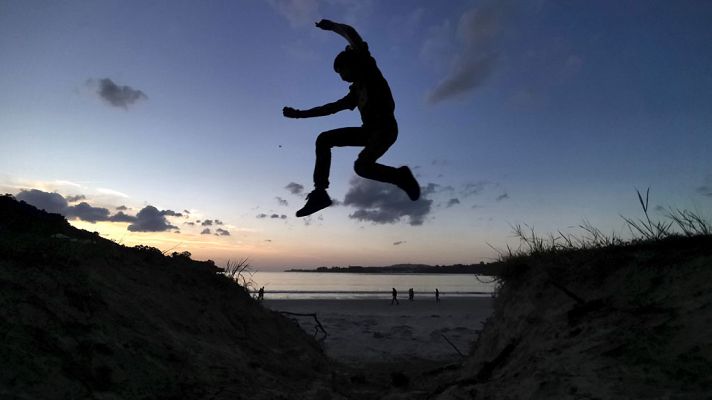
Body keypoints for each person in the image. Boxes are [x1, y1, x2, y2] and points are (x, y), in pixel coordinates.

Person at [283, 19, 421, 217]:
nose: (341, 77)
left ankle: (400, 176)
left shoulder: (368, 70)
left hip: (386, 129)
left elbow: (352, 35)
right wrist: (299, 114)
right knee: (325, 139)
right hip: (368, 132)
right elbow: (330, 108)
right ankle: (320, 193)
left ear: (351, 64)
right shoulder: (355, 92)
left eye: (342, 71)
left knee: (362, 166)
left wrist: (331, 26)